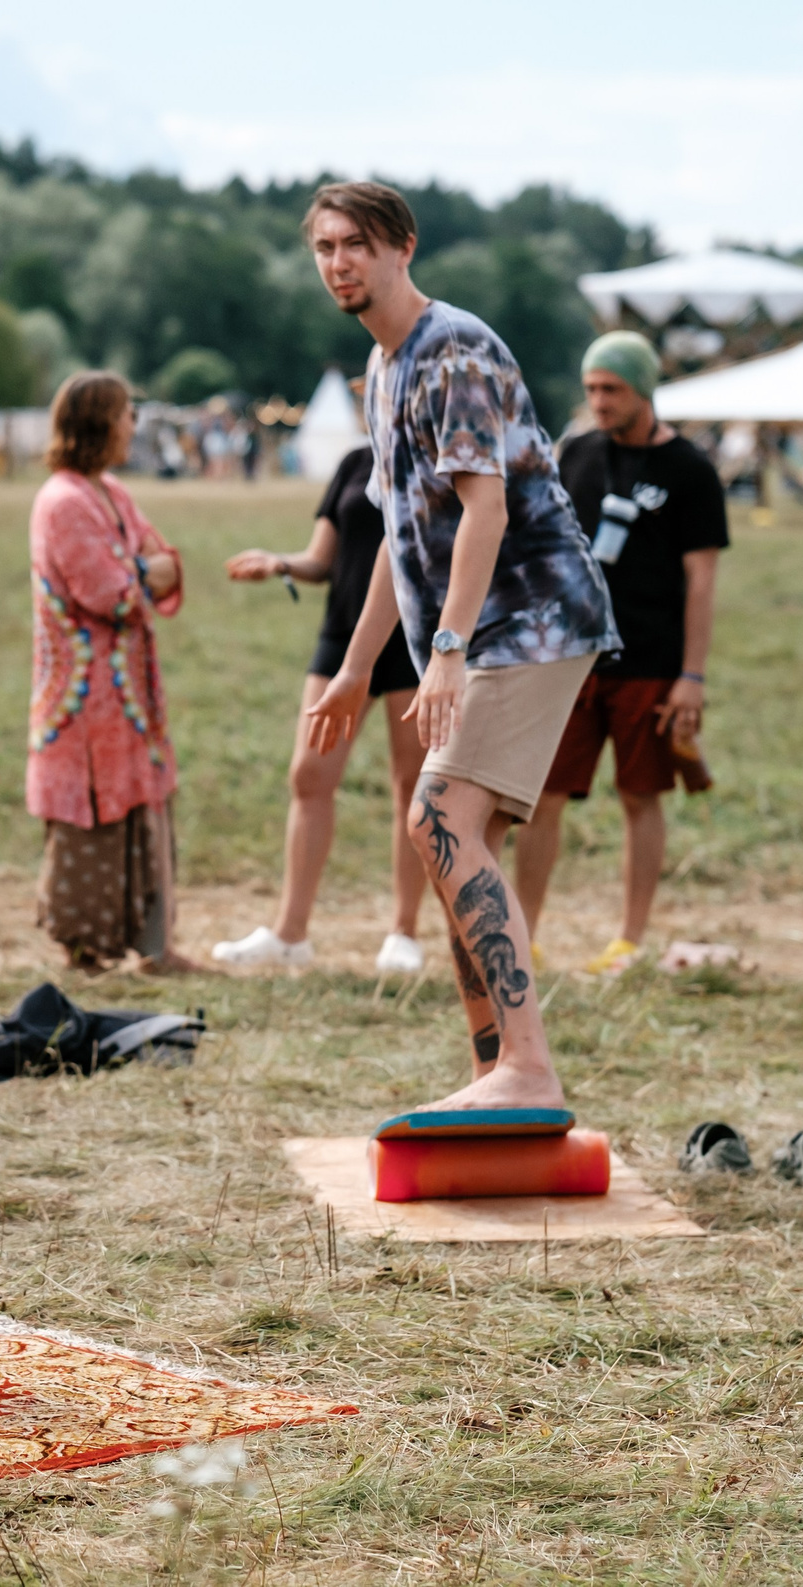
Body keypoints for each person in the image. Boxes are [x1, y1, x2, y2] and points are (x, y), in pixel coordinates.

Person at [301, 182, 616, 1115]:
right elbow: (403, 541)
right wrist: (357, 668)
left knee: (437, 815)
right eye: (324, 248)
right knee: (456, 843)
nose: (339, 263)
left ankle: (527, 1066)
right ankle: (497, 1075)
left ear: (403, 247)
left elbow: (487, 507)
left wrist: (444, 650)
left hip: (533, 615)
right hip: (484, 628)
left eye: (356, 243)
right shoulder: (382, 367)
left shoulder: (454, 350)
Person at [515, 332, 727, 975]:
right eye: (592, 389)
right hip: (571, 658)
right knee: (542, 798)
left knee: (640, 795)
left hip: (652, 660)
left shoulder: (690, 470)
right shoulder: (575, 452)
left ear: (645, 391)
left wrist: (691, 675)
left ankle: (629, 940)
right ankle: (522, 935)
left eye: (613, 390)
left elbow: (702, 581)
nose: (599, 401)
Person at [215, 435, 430, 974]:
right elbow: (321, 561)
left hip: (412, 638)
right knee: (309, 775)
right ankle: (291, 933)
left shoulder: (438, 455)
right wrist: (280, 563)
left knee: (411, 784)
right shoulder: (356, 462)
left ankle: (404, 932)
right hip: (343, 634)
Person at [27, 369, 192, 973]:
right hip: (83, 701)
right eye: (127, 414)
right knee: (90, 821)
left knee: (144, 812)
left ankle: (156, 950)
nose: (134, 424)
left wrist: (142, 571)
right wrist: (143, 572)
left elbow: (162, 558)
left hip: (127, 697)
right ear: (99, 422)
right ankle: (86, 951)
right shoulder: (64, 501)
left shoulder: (111, 492)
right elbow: (112, 593)